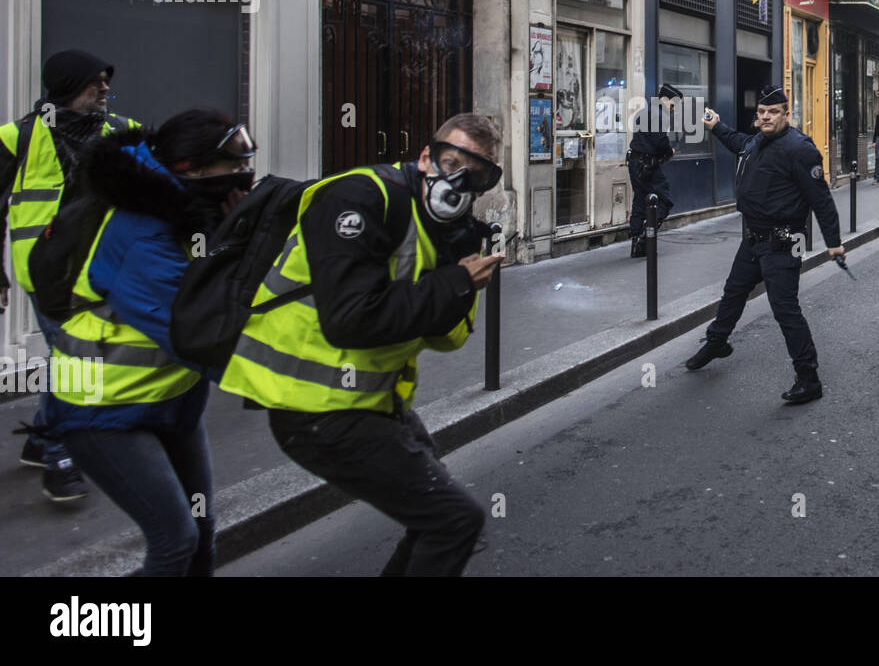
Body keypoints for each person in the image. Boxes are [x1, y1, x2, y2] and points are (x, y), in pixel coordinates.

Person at [218, 113, 504, 576]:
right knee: (453, 519)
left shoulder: (443, 227)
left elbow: (446, 339)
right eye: (450, 162)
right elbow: (350, 320)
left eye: (475, 175)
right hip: (314, 407)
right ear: (425, 157)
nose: (457, 181)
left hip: (370, 400)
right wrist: (452, 282)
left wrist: (461, 278)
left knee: (436, 514)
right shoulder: (361, 197)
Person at [44, 109, 254, 575]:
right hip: (99, 408)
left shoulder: (187, 211)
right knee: (174, 540)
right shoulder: (142, 234)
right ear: (193, 170)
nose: (243, 175)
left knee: (201, 529)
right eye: (233, 165)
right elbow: (198, 332)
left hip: (170, 399)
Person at [1, 49, 138, 502]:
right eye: (92, 82)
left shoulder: (122, 132)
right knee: (80, 362)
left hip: (100, 271)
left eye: (105, 81)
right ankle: (60, 453)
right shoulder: (17, 137)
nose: (103, 89)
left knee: (73, 360)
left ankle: (43, 440)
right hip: (48, 275)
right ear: (64, 86)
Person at [688, 85, 845, 404]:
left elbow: (822, 200)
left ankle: (809, 377)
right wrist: (716, 125)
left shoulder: (800, 149)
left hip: (784, 242)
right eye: (761, 112)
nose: (765, 117)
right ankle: (718, 341)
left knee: (785, 308)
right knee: (733, 291)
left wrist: (834, 243)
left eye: (772, 112)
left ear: (786, 114)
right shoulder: (757, 141)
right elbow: (738, 143)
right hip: (753, 239)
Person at [627, 83, 681, 258]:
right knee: (665, 201)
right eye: (673, 105)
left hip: (634, 163)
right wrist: (669, 151)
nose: (673, 109)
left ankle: (635, 241)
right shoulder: (659, 115)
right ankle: (645, 238)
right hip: (648, 165)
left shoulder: (644, 112)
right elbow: (660, 142)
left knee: (640, 200)